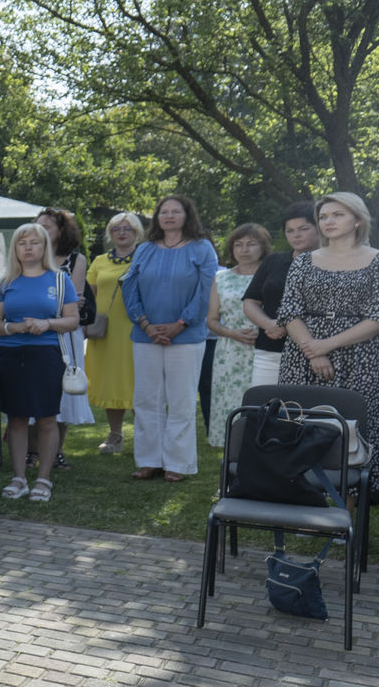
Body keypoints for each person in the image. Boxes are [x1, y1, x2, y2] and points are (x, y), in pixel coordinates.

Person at [278, 191, 379, 502]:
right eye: (323, 217)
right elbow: (289, 310)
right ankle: (304, 494)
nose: (328, 221)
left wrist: (325, 346)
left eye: (337, 215)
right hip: (302, 355)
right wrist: (312, 349)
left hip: (360, 354)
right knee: (302, 421)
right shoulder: (304, 260)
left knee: (355, 424)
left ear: (358, 220)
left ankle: (348, 500)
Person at [122, 194, 220, 482]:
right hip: (145, 335)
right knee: (146, 399)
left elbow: (206, 290)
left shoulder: (202, 248)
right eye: (164, 211)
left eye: (176, 211)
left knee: (181, 400)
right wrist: (145, 324)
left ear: (187, 216)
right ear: (157, 217)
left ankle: (178, 463)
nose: (169, 216)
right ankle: (149, 460)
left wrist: (180, 324)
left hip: (187, 336)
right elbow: (129, 286)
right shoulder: (145, 249)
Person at [0, 224, 79, 502]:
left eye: (34, 243)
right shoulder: (5, 283)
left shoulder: (60, 280)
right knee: (15, 419)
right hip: (11, 355)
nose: (28, 248)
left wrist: (47, 323)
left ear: (44, 248)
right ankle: (19, 478)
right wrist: (12, 329)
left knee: (46, 418)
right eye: (22, 243)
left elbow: (72, 320)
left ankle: (43, 478)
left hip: (46, 355)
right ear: (15, 249)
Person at [243, 201, 321, 389]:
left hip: (315, 351)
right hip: (270, 350)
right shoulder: (273, 261)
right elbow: (250, 301)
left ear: (319, 228)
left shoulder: (332, 264)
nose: (296, 235)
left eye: (303, 228)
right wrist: (268, 324)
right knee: (263, 409)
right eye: (290, 230)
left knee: (306, 412)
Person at [204, 223, 269, 448]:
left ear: (263, 247)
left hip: (265, 349)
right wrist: (232, 333)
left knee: (262, 402)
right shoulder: (220, 278)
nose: (244, 249)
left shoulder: (272, 275)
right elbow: (211, 320)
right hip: (229, 352)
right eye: (238, 244)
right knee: (231, 403)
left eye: (251, 244)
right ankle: (231, 463)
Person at [85, 212, 144, 454]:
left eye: (127, 228)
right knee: (112, 383)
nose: (121, 232)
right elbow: (90, 295)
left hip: (137, 329)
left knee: (139, 383)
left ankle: (146, 436)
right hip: (106, 332)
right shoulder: (99, 261)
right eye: (116, 229)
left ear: (137, 233)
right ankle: (115, 435)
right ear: (110, 234)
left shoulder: (145, 258)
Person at [37, 209, 93, 455]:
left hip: (67, 335)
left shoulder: (76, 259)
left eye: (46, 226)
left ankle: (56, 451)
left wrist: (43, 305)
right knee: (34, 390)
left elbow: (77, 299)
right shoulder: (28, 255)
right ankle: (32, 451)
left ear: (61, 230)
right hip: (33, 332)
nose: (41, 231)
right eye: (38, 226)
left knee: (64, 390)